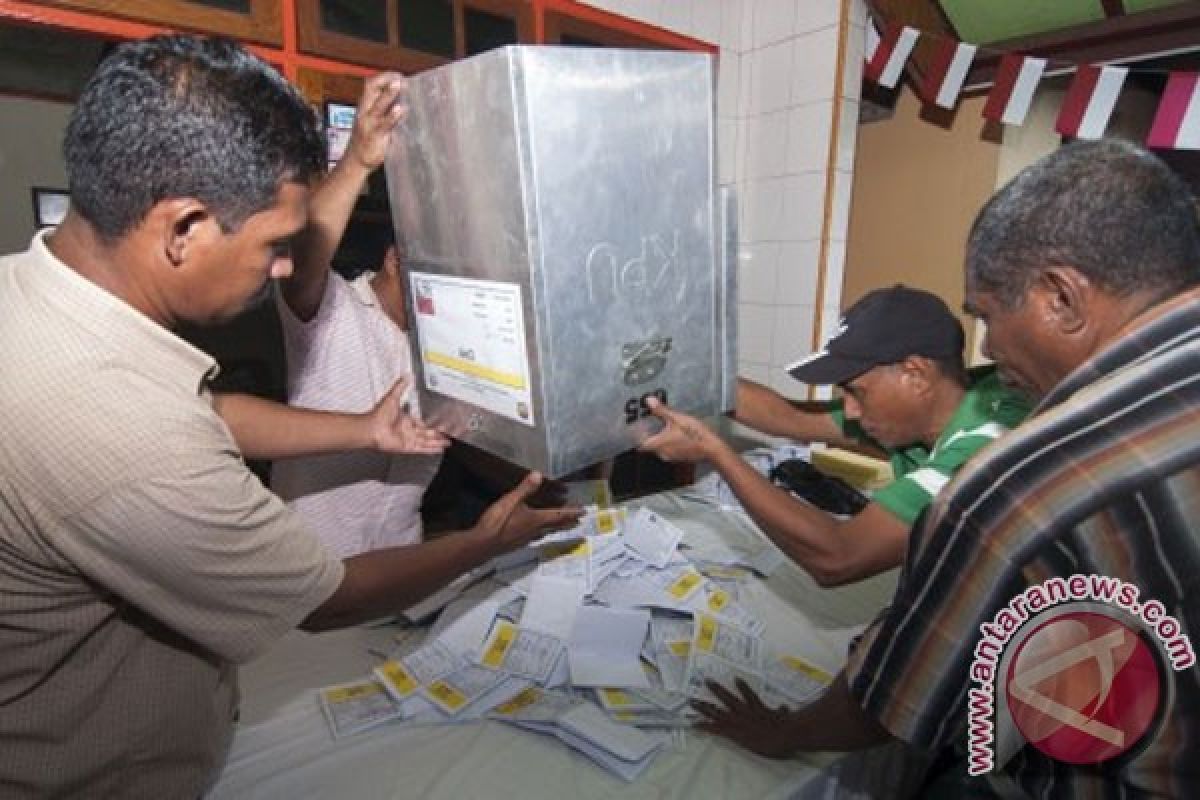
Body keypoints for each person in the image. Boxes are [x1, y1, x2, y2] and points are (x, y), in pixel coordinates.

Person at [0, 35, 581, 799]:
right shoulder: (124, 431)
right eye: (275, 245)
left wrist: (365, 431)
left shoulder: (36, 304)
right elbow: (326, 597)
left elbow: (210, 412)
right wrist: (483, 541)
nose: (282, 266)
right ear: (185, 228)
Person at [693, 139, 1200, 797]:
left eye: (987, 315)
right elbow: (792, 419)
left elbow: (866, 636)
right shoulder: (979, 391)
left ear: (1060, 298)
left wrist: (782, 732)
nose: (986, 343)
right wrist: (693, 377)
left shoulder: (1002, 475)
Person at [639, 285, 1030, 585]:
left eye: (857, 391)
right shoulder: (954, 398)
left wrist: (717, 452)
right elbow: (793, 419)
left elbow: (838, 557)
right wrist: (688, 371)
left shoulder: (981, 452)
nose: (852, 410)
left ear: (916, 374)